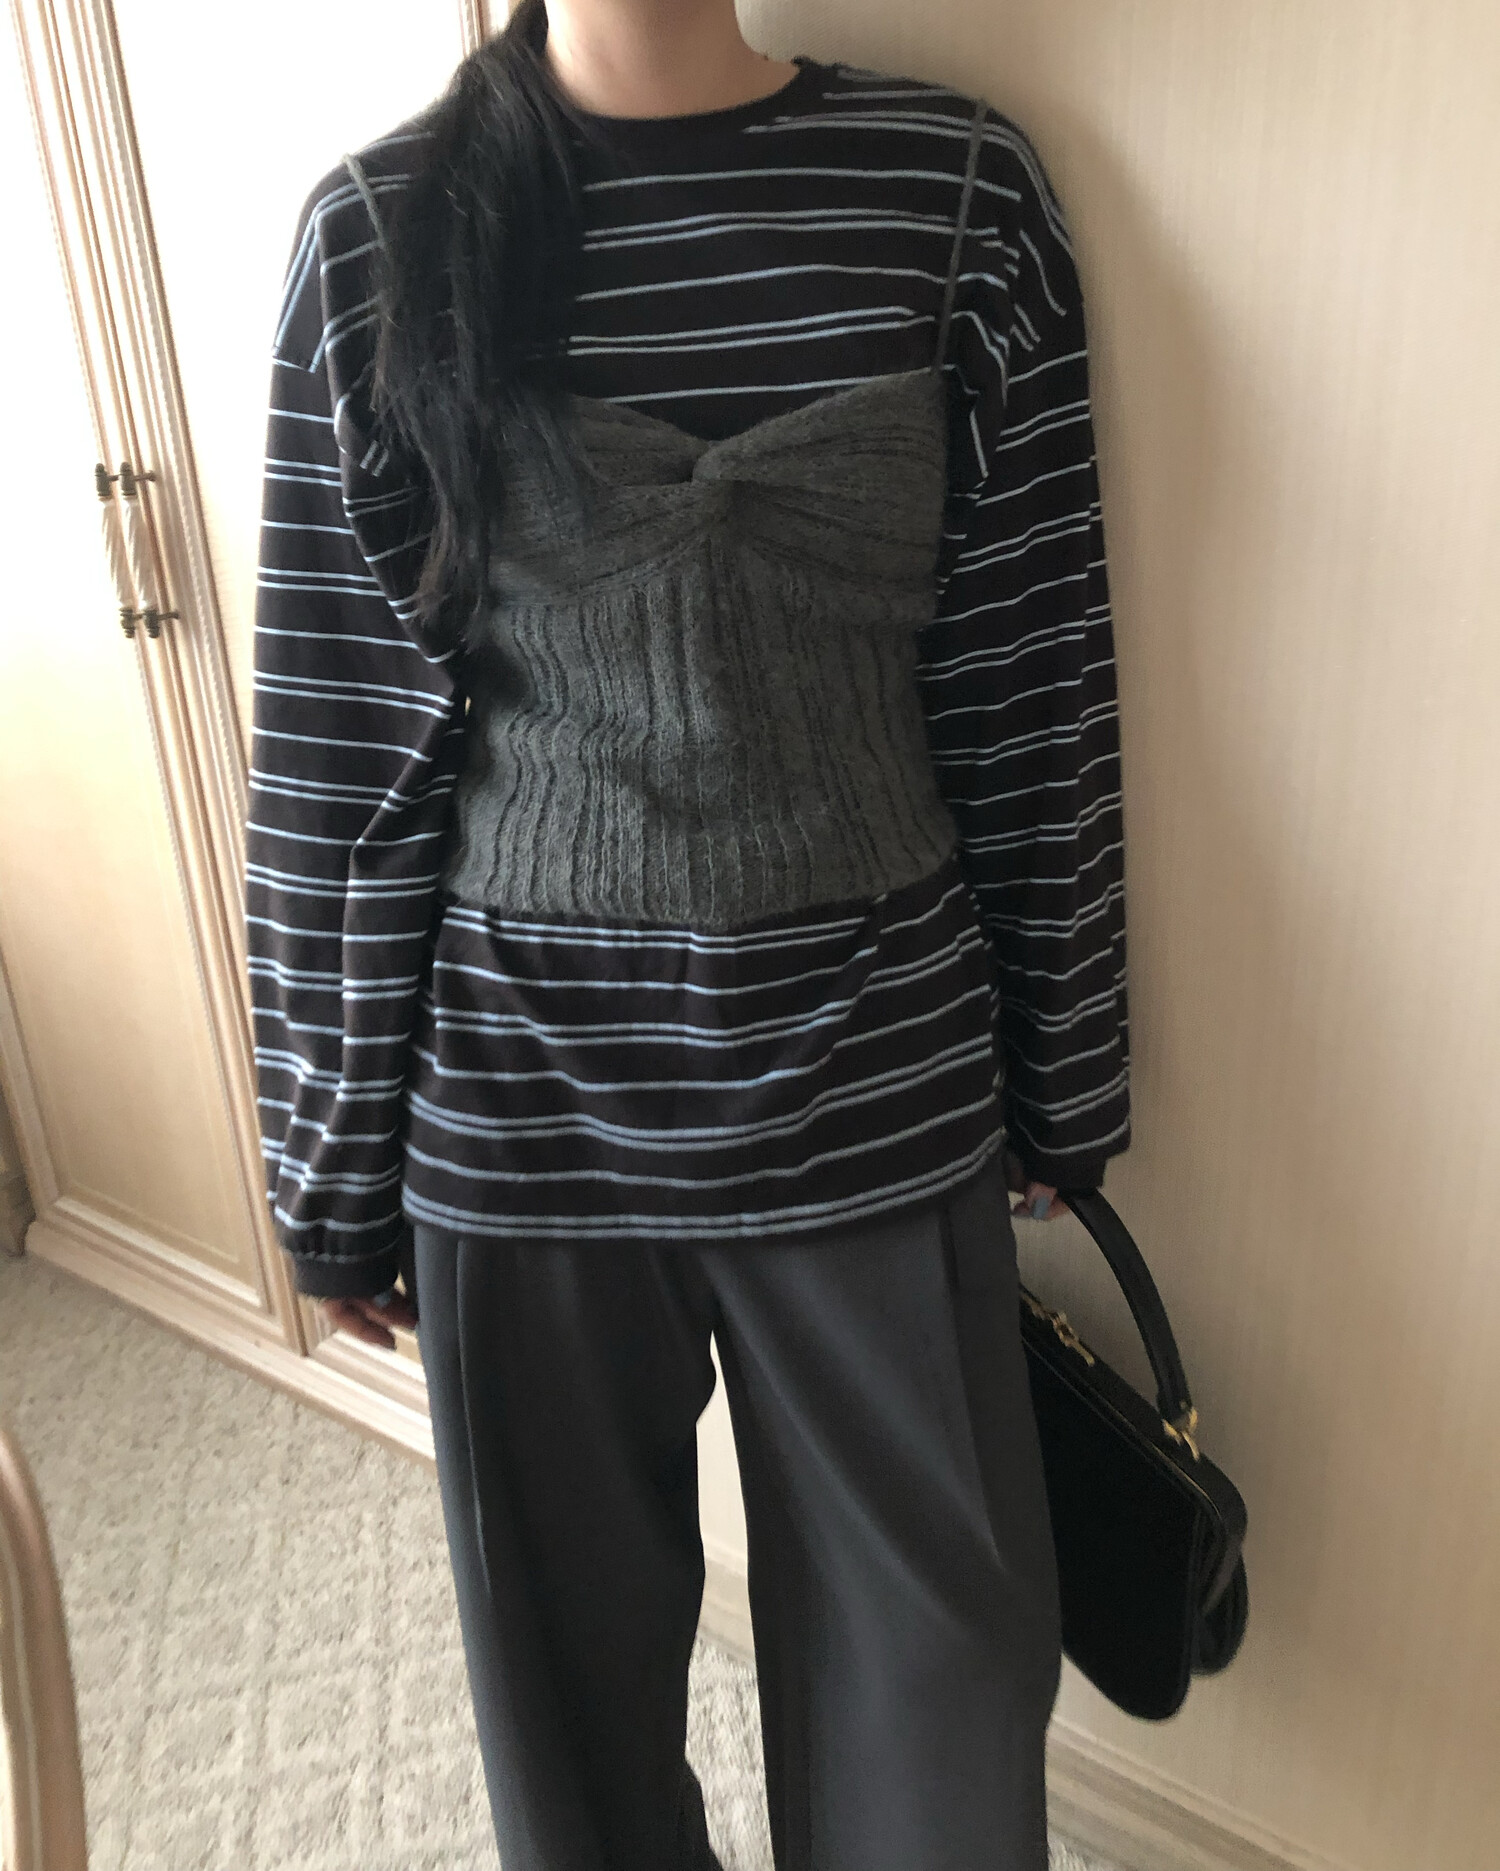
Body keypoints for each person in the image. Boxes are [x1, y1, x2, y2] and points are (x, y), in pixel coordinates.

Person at [246, 1, 1130, 1865]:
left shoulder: (959, 196)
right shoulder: (380, 234)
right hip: (521, 1122)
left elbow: (1032, 686)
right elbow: (341, 752)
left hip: (877, 1091)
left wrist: (1066, 1074)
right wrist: (329, 1172)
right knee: (568, 1729)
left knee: (946, 1711)